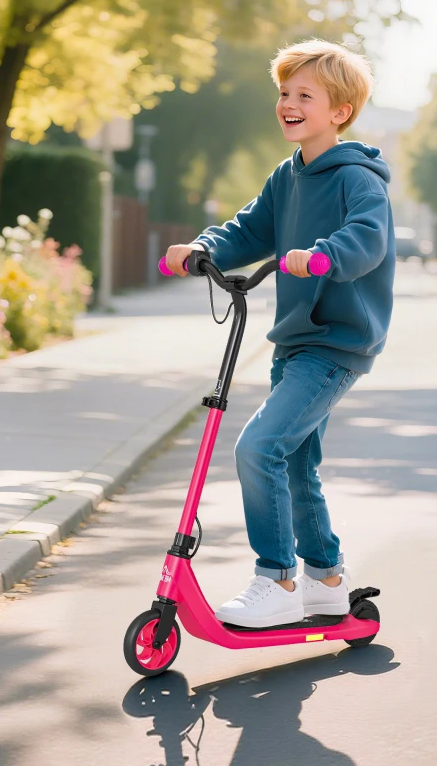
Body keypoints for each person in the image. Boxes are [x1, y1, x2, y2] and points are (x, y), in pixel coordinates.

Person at [164, 39, 395, 628]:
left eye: (304, 95)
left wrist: (322, 257)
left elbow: (368, 239)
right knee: (294, 463)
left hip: (336, 343)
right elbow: (248, 229)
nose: (288, 103)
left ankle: (277, 579)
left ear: (339, 111)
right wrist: (204, 248)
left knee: (258, 448)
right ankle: (324, 578)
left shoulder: (358, 179)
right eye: (284, 93)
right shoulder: (286, 177)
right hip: (295, 342)